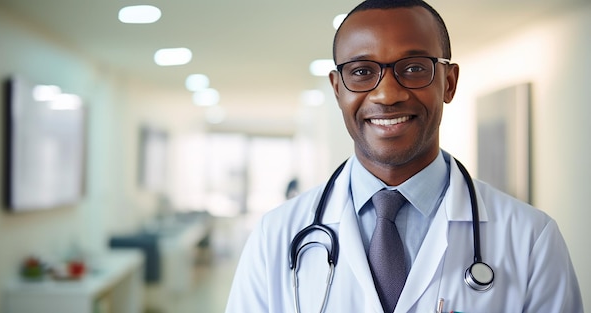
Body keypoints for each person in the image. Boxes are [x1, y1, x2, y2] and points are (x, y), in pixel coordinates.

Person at [225, 0, 583, 312]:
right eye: (362, 72)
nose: (387, 94)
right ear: (338, 90)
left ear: (449, 82)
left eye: (413, 68)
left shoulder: (530, 238)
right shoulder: (277, 235)